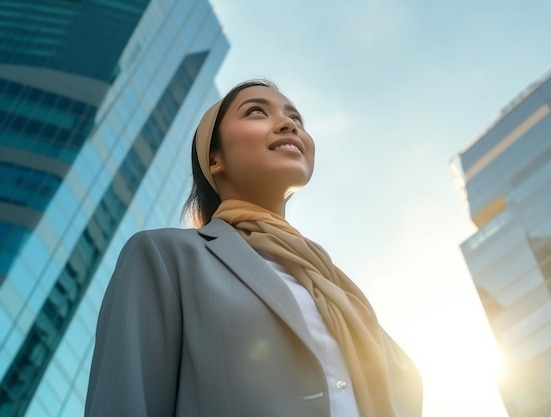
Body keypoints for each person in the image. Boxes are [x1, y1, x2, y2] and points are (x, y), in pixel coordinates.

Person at [85, 80, 422, 417]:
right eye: (257, 111)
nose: (289, 124)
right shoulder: (166, 256)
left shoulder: (339, 290)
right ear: (214, 159)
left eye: (297, 119)